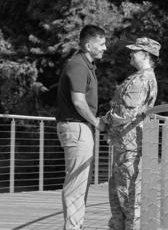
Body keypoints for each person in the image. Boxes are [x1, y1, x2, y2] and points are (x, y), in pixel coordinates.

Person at [100, 37, 160, 230]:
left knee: (126, 194)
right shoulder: (141, 77)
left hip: (129, 144)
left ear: (146, 55)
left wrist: (105, 120)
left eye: (135, 51)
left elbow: (126, 112)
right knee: (120, 191)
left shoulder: (141, 79)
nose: (131, 54)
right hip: (127, 143)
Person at [56, 24, 107, 230]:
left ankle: (75, 226)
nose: (105, 48)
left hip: (79, 128)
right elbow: (78, 101)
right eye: (102, 44)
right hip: (77, 128)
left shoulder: (86, 65)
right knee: (76, 184)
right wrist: (96, 123)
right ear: (88, 45)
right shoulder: (78, 65)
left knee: (80, 183)